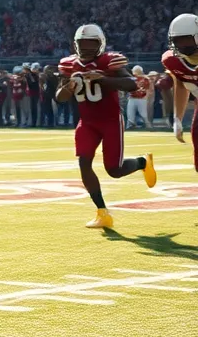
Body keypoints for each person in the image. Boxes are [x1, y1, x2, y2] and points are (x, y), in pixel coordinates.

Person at [56, 24, 156, 229]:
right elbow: (60, 97)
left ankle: (142, 162)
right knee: (84, 162)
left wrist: (103, 78)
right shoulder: (69, 65)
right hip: (87, 122)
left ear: (100, 44)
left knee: (114, 170)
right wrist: (68, 87)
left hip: (110, 120)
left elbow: (131, 84)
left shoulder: (108, 61)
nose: (86, 48)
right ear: (75, 45)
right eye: (82, 43)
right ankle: (102, 212)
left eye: (91, 43)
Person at [162, 13, 198, 170]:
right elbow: (181, 84)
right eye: (177, 41)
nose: (182, 45)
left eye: (186, 40)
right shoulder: (173, 60)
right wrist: (177, 118)